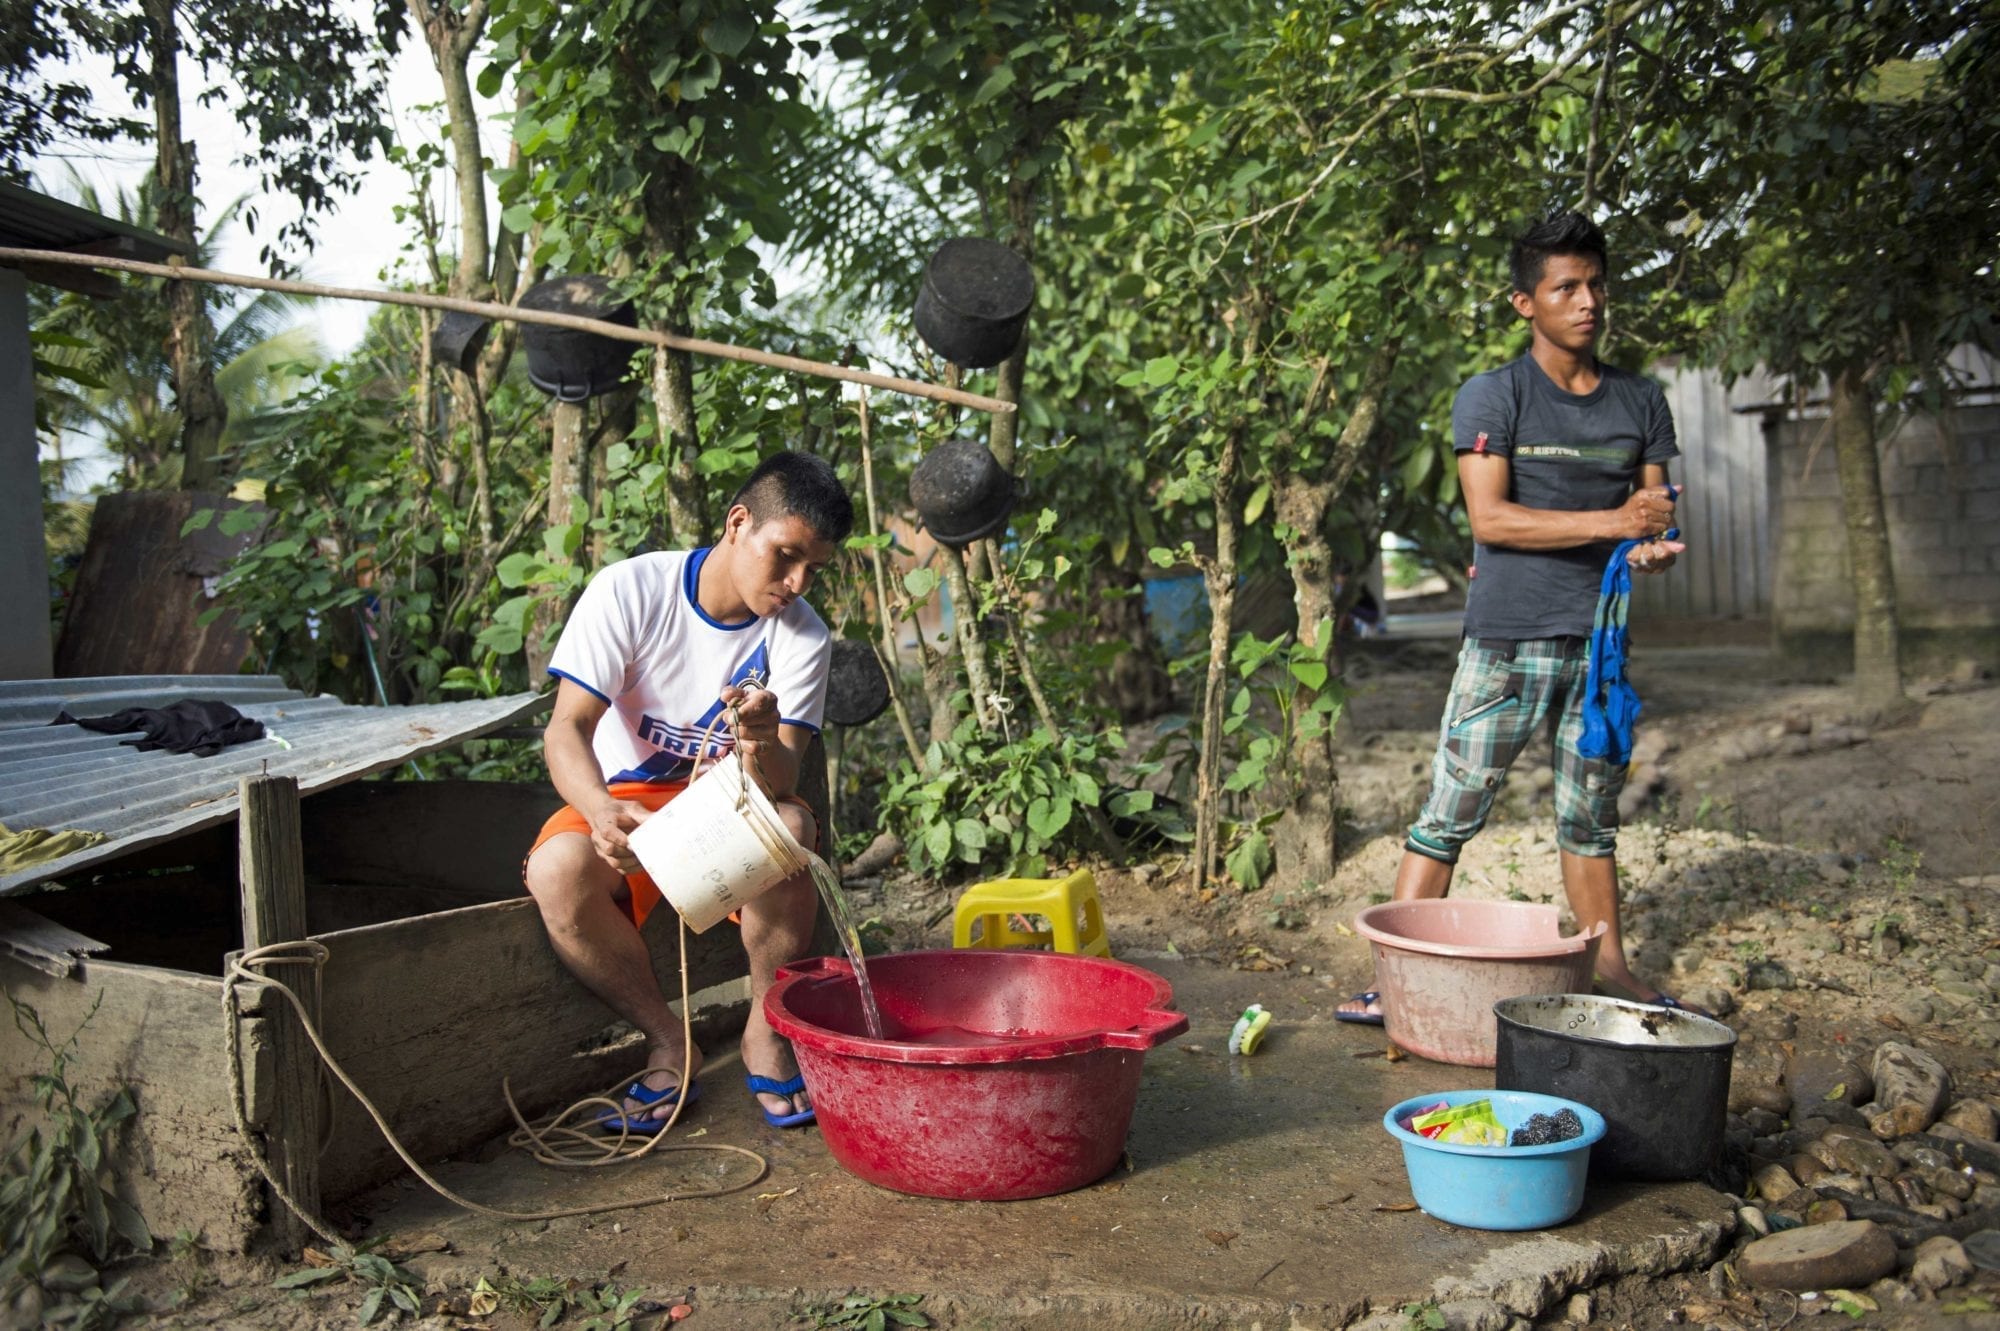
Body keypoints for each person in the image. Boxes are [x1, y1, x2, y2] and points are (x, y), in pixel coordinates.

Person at [1338, 211, 1690, 1025]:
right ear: (1524, 302)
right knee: (1453, 809)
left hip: (1599, 646)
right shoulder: (1493, 394)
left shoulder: (1641, 399)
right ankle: (1391, 980)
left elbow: (1658, 511)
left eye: (1596, 283)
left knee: (1590, 818)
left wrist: (1655, 545)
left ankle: (1610, 971)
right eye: (1565, 287)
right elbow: (1492, 521)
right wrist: (1617, 525)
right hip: (1506, 639)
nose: (1587, 301)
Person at [523, 452, 852, 1128]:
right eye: (785, 556)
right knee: (555, 871)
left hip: (726, 803)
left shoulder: (803, 635)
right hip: (627, 798)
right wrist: (599, 812)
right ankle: (669, 1038)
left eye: (812, 569)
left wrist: (759, 741)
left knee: (791, 830)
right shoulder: (629, 590)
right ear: (738, 522)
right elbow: (566, 730)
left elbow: (783, 780)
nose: (795, 582)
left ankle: (765, 1029)